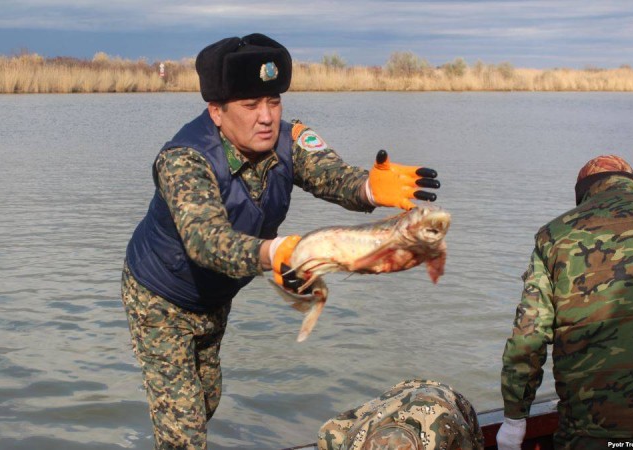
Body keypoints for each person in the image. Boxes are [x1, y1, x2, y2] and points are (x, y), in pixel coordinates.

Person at [121, 33, 441, 449]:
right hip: (159, 298)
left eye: (273, 101)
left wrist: (368, 188)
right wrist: (276, 251)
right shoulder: (185, 159)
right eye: (251, 105)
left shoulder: (290, 140)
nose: (266, 116)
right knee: (183, 432)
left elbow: (333, 176)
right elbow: (205, 241)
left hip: (213, 297)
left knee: (206, 398)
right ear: (216, 112)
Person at [497, 155, 633, 450]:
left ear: (583, 194)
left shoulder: (555, 235)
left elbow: (528, 338)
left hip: (589, 433)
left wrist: (514, 420)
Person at [318, 378, 484, 450]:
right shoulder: (354, 442)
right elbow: (327, 431)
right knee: (329, 436)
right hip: (397, 396)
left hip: (446, 400)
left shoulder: (440, 434)